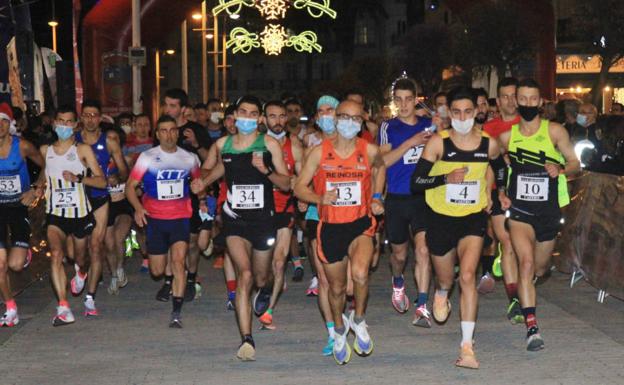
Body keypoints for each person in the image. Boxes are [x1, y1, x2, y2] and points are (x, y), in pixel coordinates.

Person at [411, 86, 507, 369]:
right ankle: (441, 293)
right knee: (447, 279)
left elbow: (500, 168)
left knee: (467, 276)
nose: (463, 117)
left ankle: (467, 347)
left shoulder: (487, 143)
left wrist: (497, 191)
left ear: (477, 112)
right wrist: (445, 179)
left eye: (468, 111)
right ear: (448, 113)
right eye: (457, 112)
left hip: (472, 217)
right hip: (440, 217)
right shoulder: (438, 144)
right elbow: (416, 182)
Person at [191, 95, 290, 361]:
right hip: (234, 219)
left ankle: (267, 287)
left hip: (263, 221)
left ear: (259, 118)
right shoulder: (223, 143)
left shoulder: (269, 144)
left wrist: (266, 170)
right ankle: (246, 339)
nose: (247, 117)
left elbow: (286, 184)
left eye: (252, 113)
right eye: (242, 112)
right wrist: (202, 183)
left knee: (260, 277)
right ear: (234, 115)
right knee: (244, 274)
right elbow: (215, 169)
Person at [294, 100, 385, 365]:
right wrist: (319, 198)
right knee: (335, 288)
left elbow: (380, 168)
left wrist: (377, 197)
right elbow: (299, 187)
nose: (349, 122)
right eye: (344, 116)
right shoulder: (318, 152)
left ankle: (359, 320)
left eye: (355, 119)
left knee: (359, 273)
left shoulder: (368, 150)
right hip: (330, 227)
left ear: (361, 122)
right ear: (335, 118)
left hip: (360, 224)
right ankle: (338, 329)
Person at [497, 79, 579, 351]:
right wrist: (499, 191)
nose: (528, 104)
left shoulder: (554, 131)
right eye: (524, 99)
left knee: (540, 269)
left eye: (534, 99)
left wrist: (560, 170)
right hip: (520, 211)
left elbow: (575, 163)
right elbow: (496, 167)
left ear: (540, 102)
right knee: (527, 263)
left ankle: (526, 286)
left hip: (548, 211)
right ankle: (532, 328)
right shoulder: (507, 138)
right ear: (516, 101)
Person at [125, 115, 201, 328]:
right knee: (157, 271)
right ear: (157, 134)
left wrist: (200, 191)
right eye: (164, 130)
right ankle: (166, 261)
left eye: (173, 130)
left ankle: (176, 313)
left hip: (180, 217)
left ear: (177, 132)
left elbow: (198, 181)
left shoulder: (189, 158)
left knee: (178, 262)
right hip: (155, 219)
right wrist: (139, 208)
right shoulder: (147, 157)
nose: (169, 134)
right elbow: (130, 187)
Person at [42, 106, 107, 326]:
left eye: (69, 122)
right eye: (60, 121)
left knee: (80, 259)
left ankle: (82, 273)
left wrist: (79, 179)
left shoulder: (83, 150)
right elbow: (44, 175)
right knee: (57, 253)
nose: (64, 126)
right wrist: (37, 187)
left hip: (79, 213)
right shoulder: (45, 150)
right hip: (55, 214)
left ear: (75, 125)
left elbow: (102, 181)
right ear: (54, 123)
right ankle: (63, 307)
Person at [378, 78, 433, 327]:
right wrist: (411, 143)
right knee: (399, 255)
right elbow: (383, 162)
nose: (403, 104)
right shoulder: (388, 128)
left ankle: (422, 305)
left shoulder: (428, 125)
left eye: (408, 99)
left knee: (423, 250)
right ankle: (398, 281)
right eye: (398, 99)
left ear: (416, 99)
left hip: (423, 197)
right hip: (397, 198)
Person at [157, 88, 212, 302]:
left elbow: (210, 161)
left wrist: (196, 145)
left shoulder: (196, 130)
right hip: (167, 193)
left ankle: (190, 279)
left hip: (191, 192)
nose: (168, 109)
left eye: (172, 105)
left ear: (183, 109)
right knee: (171, 240)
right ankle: (169, 281)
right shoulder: (161, 129)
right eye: (166, 104)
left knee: (191, 242)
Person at [74, 99, 128, 316]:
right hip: (76, 199)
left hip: (100, 197)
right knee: (79, 252)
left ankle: (90, 298)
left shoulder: (110, 141)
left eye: (94, 115)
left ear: (100, 118)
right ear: (81, 118)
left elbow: (124, 170)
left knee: (97, 245)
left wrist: (115, 176)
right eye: (86, 115)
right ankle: (82, 270)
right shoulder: (72, 140)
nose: (90, 119)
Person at [258, 100, 303, 329]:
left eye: (281, 116)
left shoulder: (293, 145)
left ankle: (268, 311)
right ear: (264, 119)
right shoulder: (255, 144)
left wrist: (303, 197)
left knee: (278, 262)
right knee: (262, 267)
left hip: (285, 208)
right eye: (272, 116)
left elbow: (303, 176)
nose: (277, 121)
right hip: (260, 210)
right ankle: (267, 287)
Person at [482, 77, 524, 322]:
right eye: (505, 96)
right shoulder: (488, 130)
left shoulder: (531, 124)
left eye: (513, 95)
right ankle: (514, 300)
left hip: (527, 194)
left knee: (526, 249)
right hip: (500, 192)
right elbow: (485, 165)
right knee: (507, 241)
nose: (510, 100)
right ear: (498, 101)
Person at [300, 95, 339, 355]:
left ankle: (350, 317)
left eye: (331, 110)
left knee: (345, 279)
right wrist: (307, 198)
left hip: (351, 216)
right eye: (321, 111)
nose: (326, 115)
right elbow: (300, 183)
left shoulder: (357, 144)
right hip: (318, 215)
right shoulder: (311, 146)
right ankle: (333, 333)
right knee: (324, 279)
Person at [0, 103, 45, 326]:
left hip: (18, 207)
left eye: (4, 121)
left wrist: (36, 188)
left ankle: (24, 254)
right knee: (0, 264)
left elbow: (48, 164)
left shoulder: (23, 146)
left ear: (10, 124)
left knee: (15, 265)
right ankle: (10, 307)